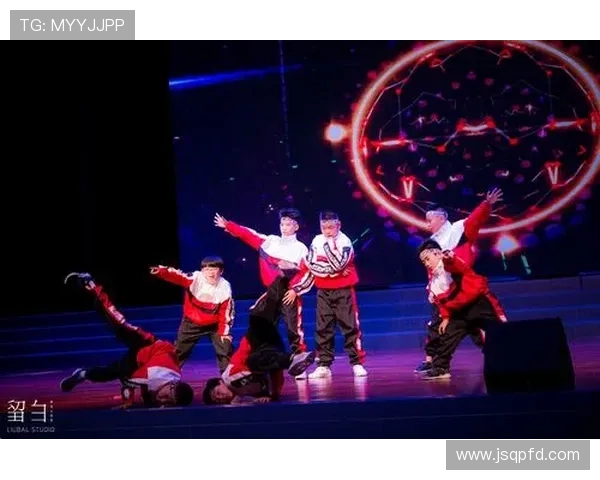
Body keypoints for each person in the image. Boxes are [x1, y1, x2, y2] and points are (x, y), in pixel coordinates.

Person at [59, 272, 194, 408]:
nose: (163, 399)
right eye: (167, 396)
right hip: (146, 344)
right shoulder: (155, 375)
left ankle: (82, 374)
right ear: (172, 385)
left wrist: (159, 401)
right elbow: (127, 381)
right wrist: (127, 402)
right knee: (119, 324)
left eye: (167, 401)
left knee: (112, 372)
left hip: (144, 360)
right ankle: (92, 285)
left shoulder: (171, 383)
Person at [415, 188, 504, 373]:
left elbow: (475, 220)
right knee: (441, 328)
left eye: (430, 220)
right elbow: (432, 270)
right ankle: (435, 363)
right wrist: (432, 289)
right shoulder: (430, 243)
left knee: (482, 329)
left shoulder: (457, 230)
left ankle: (503, 358)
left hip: (465, 287)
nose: (427, 224)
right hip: (447, 294)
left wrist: (486, 204)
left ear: (441, 218)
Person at [214, 209, 311, 372]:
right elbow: (248, 234)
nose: (284, 227)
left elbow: (306, 272)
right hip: (271, 292)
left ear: (296, 227)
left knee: (293, 328)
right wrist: (229, 225)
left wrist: (295, 290)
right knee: (263, 325)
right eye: (282, 224)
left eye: (288, 224)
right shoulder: (270, 241)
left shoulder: (301, 248)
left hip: (288, 292)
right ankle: (263, 360)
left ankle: (300, 360)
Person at [202, 276, 316, 405]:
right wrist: (272, 395)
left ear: (220, 382)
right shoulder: (246, 392)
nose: (221, 397)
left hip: (256, 342)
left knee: (258, 317)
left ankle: (284, 277)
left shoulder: (229, 378)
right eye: (219, 400)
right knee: (264, 354)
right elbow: (273, 371)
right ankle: (292, 359)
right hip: (270, 351)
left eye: (217, 392)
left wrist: (264, 395)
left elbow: (256, 379)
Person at [417, 240, 507, 379]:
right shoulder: (434, 281)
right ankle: (441, 368)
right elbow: (442, 302)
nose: (426, 263)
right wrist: (445, 318)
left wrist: (449, 258)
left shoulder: (447, 265)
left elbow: (456, 266)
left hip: (477, 304)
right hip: (458, 311)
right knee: (447, 337)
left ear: (437, 254)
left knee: (497, 332)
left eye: (428, 259)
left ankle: (508, 359)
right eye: (424, 262)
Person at [297, 211, 367, 379]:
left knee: (349, 326)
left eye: (330, 227)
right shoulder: (316, 240)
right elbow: (311, 264)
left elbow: (339, 265)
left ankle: (356, 363)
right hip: (323, 289)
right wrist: (332, 271)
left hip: (344, 289)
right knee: (323, 328)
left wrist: (327, 248)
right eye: (324, 227)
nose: (327, 231)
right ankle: (324, 365)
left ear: (338, 225)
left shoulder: (345, 241)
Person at [150, 256, 234, 373]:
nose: (210, 273)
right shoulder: (195, 278)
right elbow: (178, 276)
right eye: (207, 269)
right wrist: (161, 271)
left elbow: (225, 312)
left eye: (214, 269)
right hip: (191, 323)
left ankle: (228, 379)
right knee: (179, 352)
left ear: (221, 271)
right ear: (202, 270)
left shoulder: (225, 287)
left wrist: (224, 333)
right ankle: (167, 377)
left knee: (225, 349)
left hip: (214, 325)